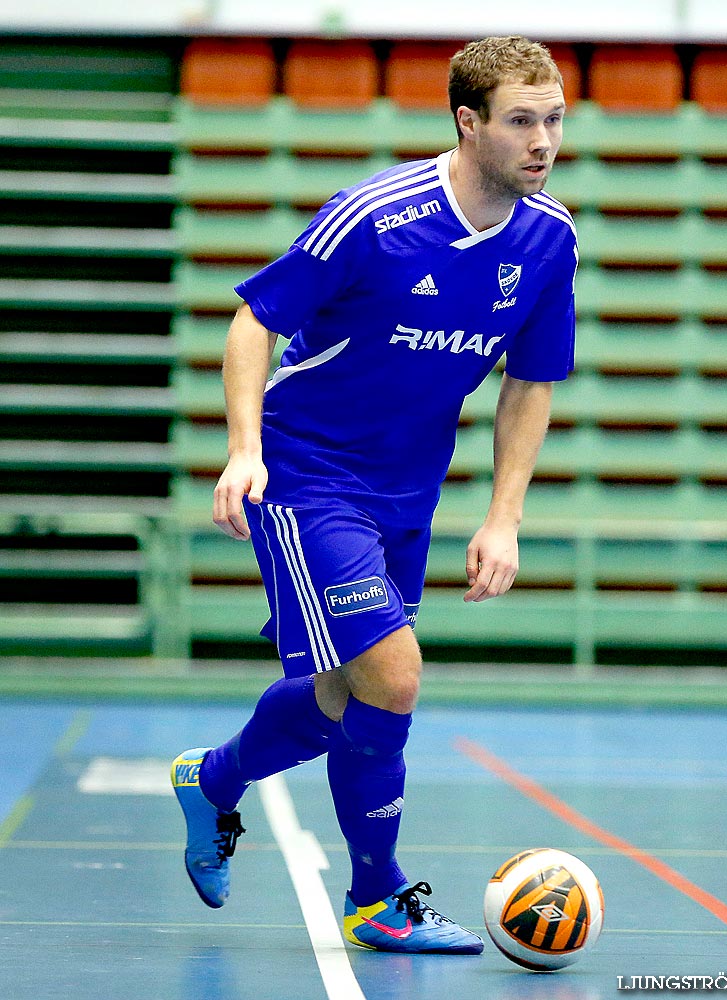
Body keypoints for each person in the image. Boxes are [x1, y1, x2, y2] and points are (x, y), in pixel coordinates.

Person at [171, 34, 577, 955]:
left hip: (407, 496)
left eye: (553, 118)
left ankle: (215, 780)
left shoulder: (551, 241)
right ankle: (376, 897)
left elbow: (532, 380)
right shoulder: (375, 215)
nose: (543, 140)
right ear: (467, 122)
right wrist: (243, 454)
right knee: (393, 677)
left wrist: (503, 516)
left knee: (339, 697)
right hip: (307, 470)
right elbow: (252, 321)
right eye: (521, 121)